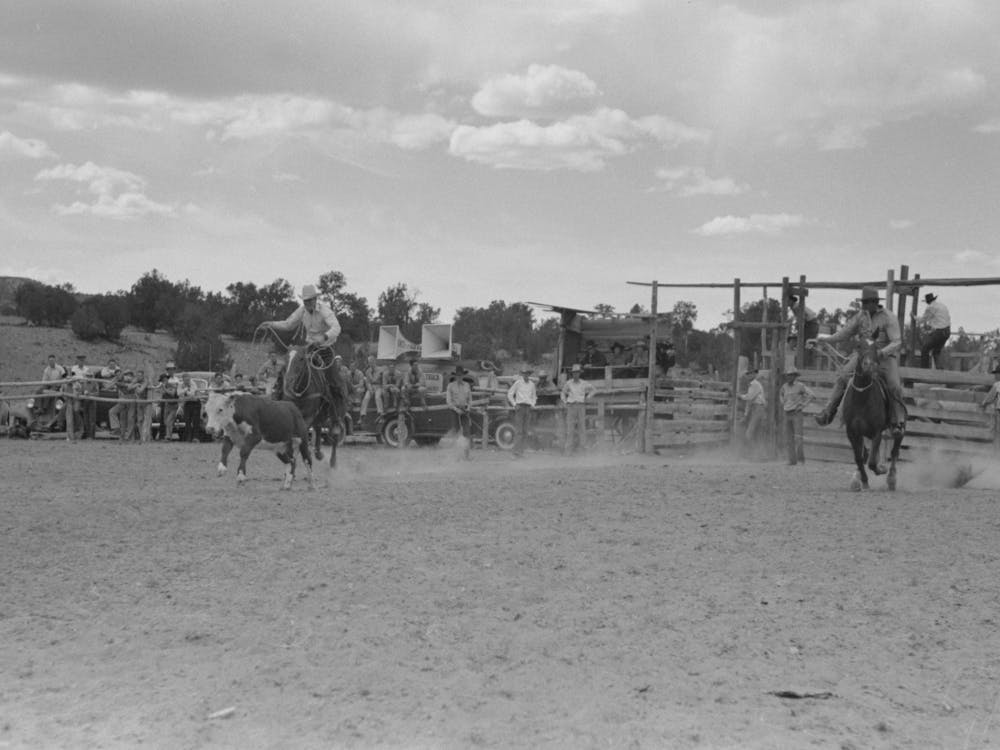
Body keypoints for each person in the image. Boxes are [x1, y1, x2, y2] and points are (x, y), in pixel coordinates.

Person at [810, 286, 905, 434]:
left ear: (874, 302)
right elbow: (844, 333)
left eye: (867, 302)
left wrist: (881, 352)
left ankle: (897, 422)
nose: (864, 306)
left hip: (884, 355)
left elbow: (897, 342)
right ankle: (828, 412)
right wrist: (825, 340)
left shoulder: (888, 317)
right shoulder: (860, 316)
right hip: (864, 354)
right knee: (842, 377)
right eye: (863, 303)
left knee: (894, 385)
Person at [261, 284, 341, 347]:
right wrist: (271, 324)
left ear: (315, 299)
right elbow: (288, 324)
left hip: (327, 346)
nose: (307, 303)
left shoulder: (324, 311)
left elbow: (336, 327)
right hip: (310, 346)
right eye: (305, 300)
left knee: (334, 366)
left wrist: (324, 337)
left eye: (310, 300)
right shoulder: (302, 311)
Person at [779, 367, 816, 465]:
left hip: (796, 414)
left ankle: (801, 460)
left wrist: (803, 405)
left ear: (795, 376)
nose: (789, 377)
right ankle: (792, 460)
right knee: (789, 438)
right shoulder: (784, 387)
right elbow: (781, 395)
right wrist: (782, 402)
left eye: (791, 375)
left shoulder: (800, 386)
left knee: (798, 438)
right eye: (788, 375)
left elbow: (812, 395)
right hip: (787, 413)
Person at [561, 363, 595, 455]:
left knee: (582, 428)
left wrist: (587, 398)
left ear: (580, 373)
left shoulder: (584, 383)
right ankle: (568, 450)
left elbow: (593, 390)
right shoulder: (568, 383)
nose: (576, 374)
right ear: (572, 374)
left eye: (577, 373)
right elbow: (563, 393)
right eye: (574, 373)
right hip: (571, 406)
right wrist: (565, 402)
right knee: (570, 428)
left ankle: (583, 449)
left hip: (580, 406)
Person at [506, 366, 537, 457]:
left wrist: (533, 404)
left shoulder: (532, 384)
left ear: (529, 374)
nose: (526, 375)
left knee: (525, 431)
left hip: (528, 408)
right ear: (522, 374)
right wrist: (515, 404)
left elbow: (534, 396)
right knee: (519, 431)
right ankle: (515, 452)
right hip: (520, 408)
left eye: (527, 373)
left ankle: (521, 452)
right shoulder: (518, 383)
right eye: (524, 373)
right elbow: (510, 394)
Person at [445, 365, 474, 459]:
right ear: (455, 376)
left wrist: (469, 407)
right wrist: (456, 410)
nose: (459, 377)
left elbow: (470, 399)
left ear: (463, 376)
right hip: (455, 410)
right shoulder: (450, 386)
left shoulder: (467, 385)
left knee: (467, 432)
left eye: (461, 375)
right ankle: (456, 455)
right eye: (458, 375)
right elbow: (449, 402)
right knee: (456, 432)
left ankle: (466, 455)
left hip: (465, 410)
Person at [916, 292, 951, 369]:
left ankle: (924, 370)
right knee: (936, 351)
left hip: (940, 331)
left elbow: (923, 319)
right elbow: (939, 321)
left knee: (925, 349)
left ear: (927, 301)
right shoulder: (942, 305)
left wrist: (914, 317)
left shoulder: (930, 307)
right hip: (947, 331)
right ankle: (940, 370)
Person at [738, 368, 767, 458]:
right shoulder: (751, 385)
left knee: (749, 433)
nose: (748, 376)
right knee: (757, 433)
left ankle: (754, 454)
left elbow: (749, 398)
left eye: (750, 374)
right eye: (747, 374)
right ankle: (758, 454)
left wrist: (739, 396)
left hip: (758, 409)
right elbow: (749, 402)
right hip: (756, 409)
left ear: (755, 375)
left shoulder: (755, 384)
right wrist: (746, 415)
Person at [157, 361, 180, 440]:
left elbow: (174, 391)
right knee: (164, 420)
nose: (170, 371)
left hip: (173, 401)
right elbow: (159, 387)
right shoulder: (164, 378)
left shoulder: (176, 379)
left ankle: (168, 435)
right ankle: (164, 435)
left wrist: (165, 388)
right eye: (169, 369)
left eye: (172, 369)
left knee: (169, 420)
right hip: (165, 401)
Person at [176, 372, 202, 442]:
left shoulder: (193, 383)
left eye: (188, 379)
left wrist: (184, 392)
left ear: (190, 379)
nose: (187, 381)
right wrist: (186, 390)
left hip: (196, 403)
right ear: (183, 379)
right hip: (187, 403)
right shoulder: (180, 384)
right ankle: (188, 437)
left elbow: (192, 394)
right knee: (187, 421)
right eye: (186, 379)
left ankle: (196, 437)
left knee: (196, 421)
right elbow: (178, 393)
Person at [980, 366, 1000, 446]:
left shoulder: (997, 385)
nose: (995, 376)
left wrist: (983, 404)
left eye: (997, 374)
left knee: (998, 431)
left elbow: (989, 397)